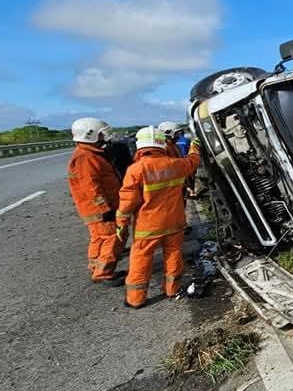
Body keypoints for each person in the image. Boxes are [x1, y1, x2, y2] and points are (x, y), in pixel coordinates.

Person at [116, 126, 201, 308]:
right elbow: (193, 162)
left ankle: (136, 299)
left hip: (148, 226)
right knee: (173, 255)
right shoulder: (176, 164)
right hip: (174, 222)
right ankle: (172, 289)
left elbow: (127, 202)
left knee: (141, 259)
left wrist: (121, 223)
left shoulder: (136, 170)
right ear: (162, 144)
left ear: (140, 146)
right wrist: (195, 146)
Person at [67, 117, 125, 285]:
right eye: (101, 135)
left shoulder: (88, 154)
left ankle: (95, 266)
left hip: (91, 208)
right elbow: (91, 187)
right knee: (111, 237)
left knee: (98, 238)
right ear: (90, 135)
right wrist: (104, 208)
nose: (103, 138)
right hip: (99, 208)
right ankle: (103, 272)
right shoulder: (86, 157)